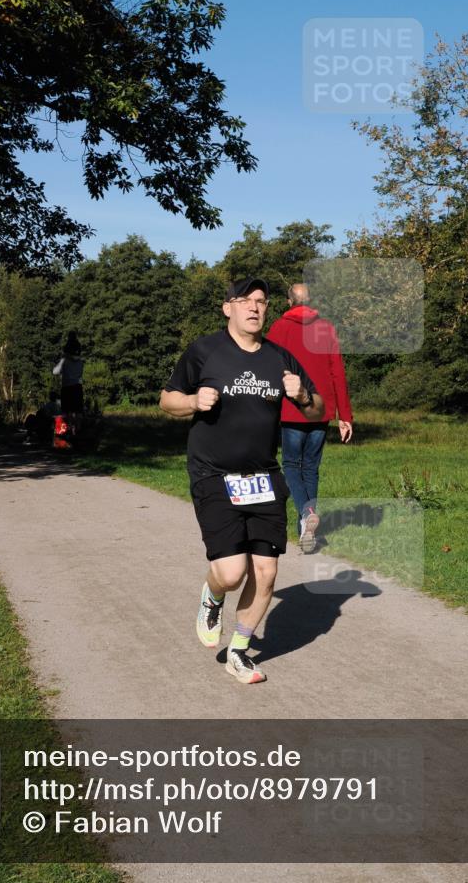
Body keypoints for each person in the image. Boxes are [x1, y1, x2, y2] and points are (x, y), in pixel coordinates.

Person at [160, 276, 325, 685]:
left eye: (262, 301)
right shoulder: (205, 352)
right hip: (213, 473)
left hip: (264, 476)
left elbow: (317, 406)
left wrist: (302, 394)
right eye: (245, 300)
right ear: (227, 307)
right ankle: (213, 596)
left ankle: (238, 650)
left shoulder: (279, 358)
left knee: (266, 574)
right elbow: (167, 399)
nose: (255, 307)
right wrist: (193, 401)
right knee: (232, 573)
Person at [266, 282, 353, 552]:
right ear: (310, 301)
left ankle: (305, 516)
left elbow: (268, 367)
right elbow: (337, 372)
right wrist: (344, 416)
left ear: (289, 301)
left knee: (291, 465)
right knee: (311, 468)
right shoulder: (326, 328)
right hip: (321, 409)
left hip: (291, 409)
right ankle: (308, 517)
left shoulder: (279, 328)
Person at [53, 332, 84, 437]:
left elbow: (55, 372)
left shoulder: (65, 361)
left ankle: (69, 431)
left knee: (67, 411)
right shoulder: (80, 361)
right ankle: (78, 430)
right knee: (78, 411)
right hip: (78, 386)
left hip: (67, 387)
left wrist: (60, 362)